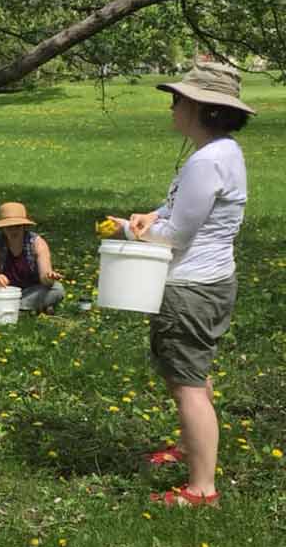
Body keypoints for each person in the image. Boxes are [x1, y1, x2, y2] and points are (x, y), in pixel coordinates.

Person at [107, 60, 254, 507]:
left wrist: (129, 231)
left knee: (187, 384)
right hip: (211, 281)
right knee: (190, 376)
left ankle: (201, 488)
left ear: (204, 109)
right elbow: (180, 213)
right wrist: (153, 214)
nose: (172, 107)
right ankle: (191, 447)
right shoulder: (221, 152)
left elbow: (177, 237)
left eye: (179, 100)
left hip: (190, 289)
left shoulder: (207, 161)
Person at [0, 201, 64, 313]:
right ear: (2, 228)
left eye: (17, 226)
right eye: (8, 227)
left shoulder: (37, 243)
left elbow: (45, 277)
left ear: (24, 226)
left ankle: (10, 308)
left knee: (57, 289)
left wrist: (49, 278)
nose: (13, 230)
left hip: (32, 290)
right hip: (5, 291)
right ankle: (31, 307)